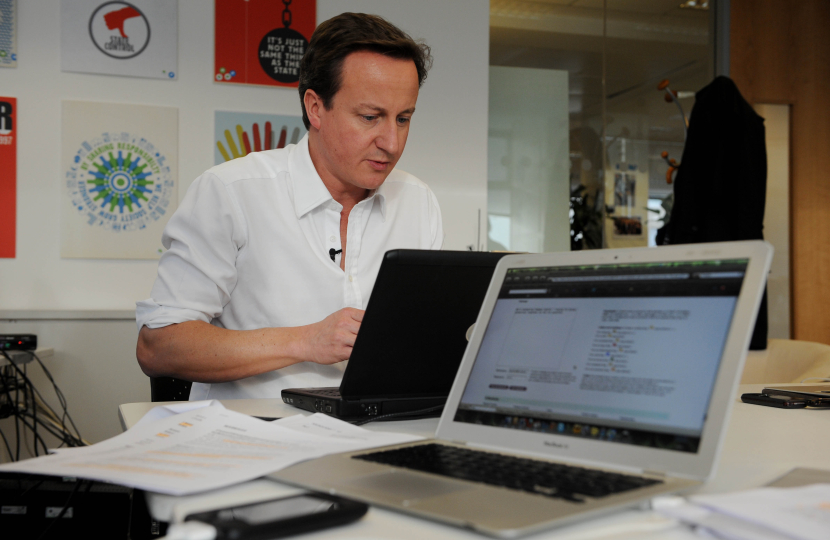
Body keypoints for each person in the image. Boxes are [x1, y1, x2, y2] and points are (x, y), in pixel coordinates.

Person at [135, 13, 443, 400]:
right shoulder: (231, 193)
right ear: (315, 108)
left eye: (403, 119)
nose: (392, 143)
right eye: (370, 117)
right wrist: (305, 341)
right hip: (256, 431)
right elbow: (158, 347)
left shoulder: (419, 201)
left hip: (383, 428)